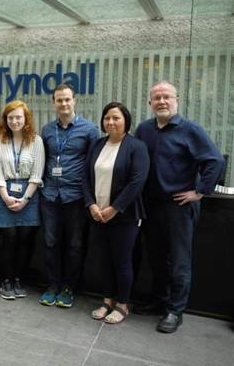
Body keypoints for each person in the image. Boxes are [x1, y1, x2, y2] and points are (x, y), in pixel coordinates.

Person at [134, 81, 224, 333]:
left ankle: (175, 310)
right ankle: (159, 301)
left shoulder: (190, 130)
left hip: (179, 207)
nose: (162, 101)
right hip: (151, 206)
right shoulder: (144, 129)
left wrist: (200, 191)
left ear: (177, 100)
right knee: (156, 259)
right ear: (150, 103)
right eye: (157, 98)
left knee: (179, 261)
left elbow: (215, 161)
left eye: (167, 97)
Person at [83, 102, 149, 324]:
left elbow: (137, 182)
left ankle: (122, 304)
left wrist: (115, 208)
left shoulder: (136, 146)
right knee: (104, 260)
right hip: (97, 214)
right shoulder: (98, 144)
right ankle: (107, 300)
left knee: (122, 261)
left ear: (126, 121)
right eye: (107, 118)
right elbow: (85, 177)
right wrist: (91, 204)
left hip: (125, 216)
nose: (110, 122)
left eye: (116, 118)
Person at [39, 83, 99, 308]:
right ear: (53, 103)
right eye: (59, 100)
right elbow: (43, 160)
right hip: (50, 196)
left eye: (67, 99)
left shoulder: (90, 130)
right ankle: (52, 285)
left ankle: (69, 288)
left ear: (74, 101)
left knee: (75, 245)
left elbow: (93, 165)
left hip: (76, 196)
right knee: (50, 243)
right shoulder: (47, 130)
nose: (63, 103)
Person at [0, 100, 44, 300]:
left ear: (26, 118)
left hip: (29, 194)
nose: (14, 121)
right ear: (5, 120)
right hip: (4, 192)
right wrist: (6, 198)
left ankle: (18, 279)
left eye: (18, 117)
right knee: (9, 238)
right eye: (10, 118)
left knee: (24, 239)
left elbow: (37, 174)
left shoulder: (36, 141)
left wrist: (25, 199)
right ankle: (6, 280)